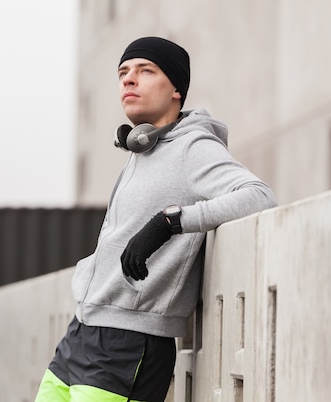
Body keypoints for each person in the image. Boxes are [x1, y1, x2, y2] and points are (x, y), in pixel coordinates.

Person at [33, 36, 278, 402]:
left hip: (129, 343)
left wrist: (170, 222)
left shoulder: (193, 147)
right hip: (82, 329)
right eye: (123, 73)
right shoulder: (142, 149)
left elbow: (259, 196)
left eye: (145, 71)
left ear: (176, 88)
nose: (129, 80)